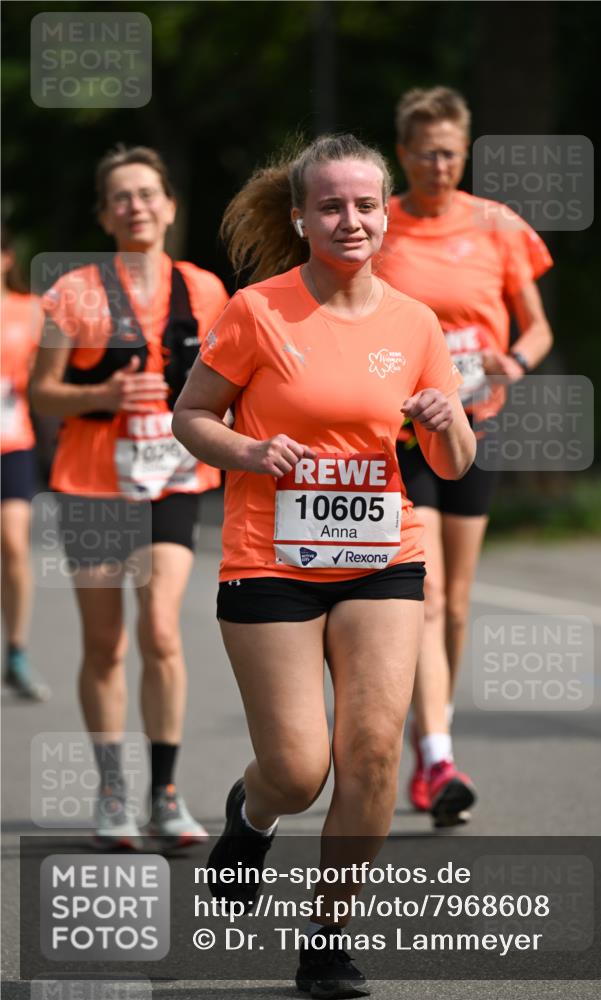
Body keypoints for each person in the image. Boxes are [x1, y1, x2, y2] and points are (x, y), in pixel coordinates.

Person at [172, 133, 476, 999]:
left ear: (386, 215)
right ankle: (251, 814)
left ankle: (329, 935)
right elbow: (191, 415)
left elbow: (453, 463)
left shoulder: (415, 323)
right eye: (332, 205)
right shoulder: (256, 310)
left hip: (381, 556)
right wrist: (246, 449)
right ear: (301, 216)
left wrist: (439, 420)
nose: (352, 219)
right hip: (271, 557)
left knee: (374, 752)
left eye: (366, 204)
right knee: (299, 769)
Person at [30, 145, 229, 848]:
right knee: (107, 645)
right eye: (121, 196)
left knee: (163, 631)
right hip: (92, 483)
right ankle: (114, 788)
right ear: (104, 213)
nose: (136, 206)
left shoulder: (207, 291)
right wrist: (105, 393)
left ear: (170, 206)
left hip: (174, 479)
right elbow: (41, 392)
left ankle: (165, 793)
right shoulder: (73, 292)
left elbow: (232, 385)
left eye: (148, 193)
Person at [375, 86, 554, 826]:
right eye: (424, 152)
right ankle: (436, 755)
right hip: (404, 431)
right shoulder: (378, 225)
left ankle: (430, 736)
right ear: (402, 154)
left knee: (455, 602)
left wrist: (513, 359)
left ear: (465, 150)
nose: (437, 164)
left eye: (449, 151)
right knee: (426, 591)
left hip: (477, 424)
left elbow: (536, 327)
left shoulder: (496, 225)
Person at [1, 225, 51, 701]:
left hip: (12, 442)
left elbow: (47, 378)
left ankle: (15, 650)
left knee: (14, 543)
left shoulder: (29, 311)